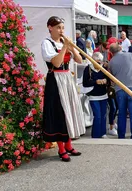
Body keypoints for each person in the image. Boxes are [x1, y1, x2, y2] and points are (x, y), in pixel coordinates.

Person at [41, 16, 85, 162]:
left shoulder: (63, 43)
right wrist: (65, 47)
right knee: (60, 112)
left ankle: (69, 144)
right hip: (55, 79)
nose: (61, 31)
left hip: (67, 79)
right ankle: (61, 148)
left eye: (62, 28)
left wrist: (72, 47)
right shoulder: (47, 44)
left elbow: (79, 61)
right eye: (58, 27)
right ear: (50, 28)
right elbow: (58, 63)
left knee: (70, 110)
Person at [108, 43, 132, 139]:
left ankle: (121, 136)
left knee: (121, 113)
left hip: (119, 89)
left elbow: (110, 78)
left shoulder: (111, 62)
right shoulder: (131, 55)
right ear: (120, 48)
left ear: (111, 52)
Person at [82, 52, 108, 138]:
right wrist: (95, 82)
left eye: (100, 62)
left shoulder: (104, 68)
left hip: (104, 95)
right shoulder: (88, 69)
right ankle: (96, 135)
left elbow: (109, 79)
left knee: (104, 115)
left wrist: (105, 81)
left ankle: (103, 133)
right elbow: (85, 83)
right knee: (97, 116)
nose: (98, 64)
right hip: (93, 96)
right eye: (96, 62)